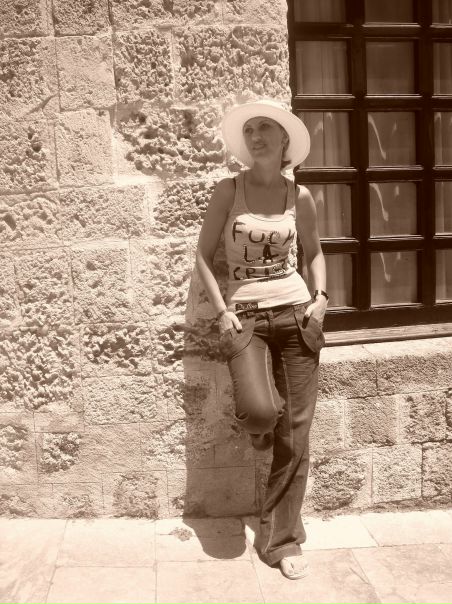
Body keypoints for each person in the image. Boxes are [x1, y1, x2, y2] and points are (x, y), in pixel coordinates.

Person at [195, 99, 328, 579]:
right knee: (259, 412)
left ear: (284, 139)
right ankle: (263, 427)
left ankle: (282, 540)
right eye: (249, 129)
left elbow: (314, 252)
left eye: (265, 128)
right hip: (245, 318)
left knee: (296, 435)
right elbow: (203, 255)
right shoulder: (229, 190)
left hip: (296, 315)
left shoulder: (300, 196)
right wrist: (222, 310)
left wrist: (321, 297)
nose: (256, 137)